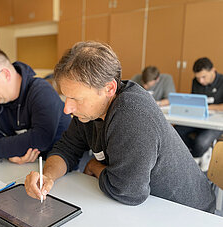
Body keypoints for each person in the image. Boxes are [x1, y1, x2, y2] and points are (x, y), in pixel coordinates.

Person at [24, 41, 215, 213]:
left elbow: (127, 192)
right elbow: (67, 148)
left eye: (76, 99)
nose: (67, 108)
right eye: (66, 97)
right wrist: (48, 175)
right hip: (148, 205)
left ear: (109, 89)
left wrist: (94, 165)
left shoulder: (132, 114)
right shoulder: (88, 111)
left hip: (189, 212)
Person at [0, 47, 71, 164]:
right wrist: (10, 154)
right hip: (24, 167)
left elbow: (41, 138)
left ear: (6, 74)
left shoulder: (41, 90)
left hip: (58, 167)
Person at [174, 57, 223, 170]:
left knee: (201, 142)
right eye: (198, 78)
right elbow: (194, 100)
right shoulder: (195, 82)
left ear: (213, 70)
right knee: (175, 132)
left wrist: (209, 108)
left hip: (216, 122)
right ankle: (199, 153)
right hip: (198, 118)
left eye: (203, 77)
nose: (200, 81)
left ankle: (195, 158)